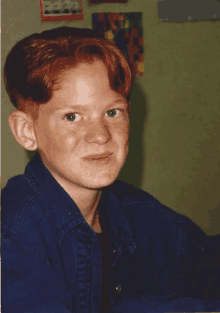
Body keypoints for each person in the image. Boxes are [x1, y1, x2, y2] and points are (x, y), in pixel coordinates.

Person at [2, 27, 220, 313]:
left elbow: (205, 261)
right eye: (72, 117)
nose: (101, 135)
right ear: (27, 131)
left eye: (112, 112)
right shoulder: (14, 236)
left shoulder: (137, 210)